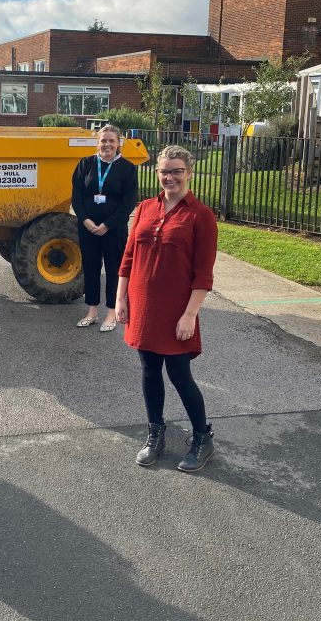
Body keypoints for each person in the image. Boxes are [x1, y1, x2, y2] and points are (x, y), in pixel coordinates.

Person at [115, 145, 218, 473]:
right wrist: (120, 299)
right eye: (164, 171)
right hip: (143, 306)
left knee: (178, 374)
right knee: (149, 370)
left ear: (189, 172)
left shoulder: (200, 215)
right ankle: (155, 433)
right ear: (156, 173)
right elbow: (128, 258)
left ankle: (203, 437)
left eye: (176, 170)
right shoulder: (145, 208)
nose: (169, 176)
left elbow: (204, 273)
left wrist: (190, 314)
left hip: (177, 310)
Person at [70, 124, 138, 331]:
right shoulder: (85, 164)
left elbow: (129, 202)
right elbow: (77, 196)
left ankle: (111, 312)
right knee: (90, 268)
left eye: (111, 141)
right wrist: (86, 221)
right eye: (103, 140)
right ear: (97, 142)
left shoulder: (127, 168)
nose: (107, 144)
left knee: (113, 269)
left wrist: (107, 225)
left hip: (114, 229)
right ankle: (92, 311)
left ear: (119, 143)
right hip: (88, 228)